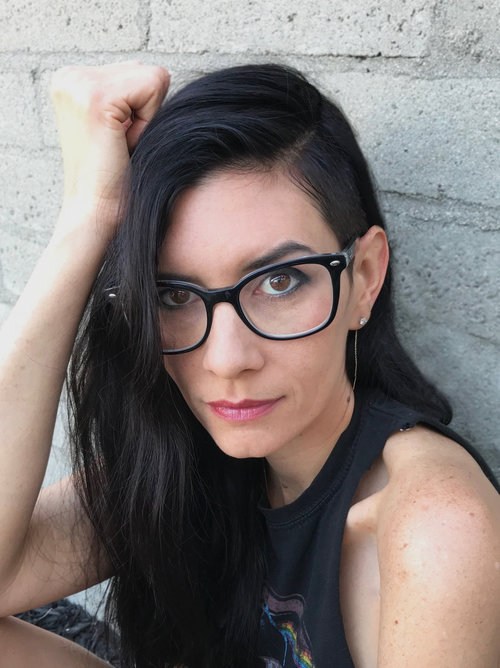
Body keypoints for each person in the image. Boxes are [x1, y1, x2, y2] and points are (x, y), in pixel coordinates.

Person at [0, 61, 498, 668]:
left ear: (364, 277)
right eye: (174, 295)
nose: (226, 359)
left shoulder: (433, 530)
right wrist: (87, 217)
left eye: (279, 281)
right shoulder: (183, 461)